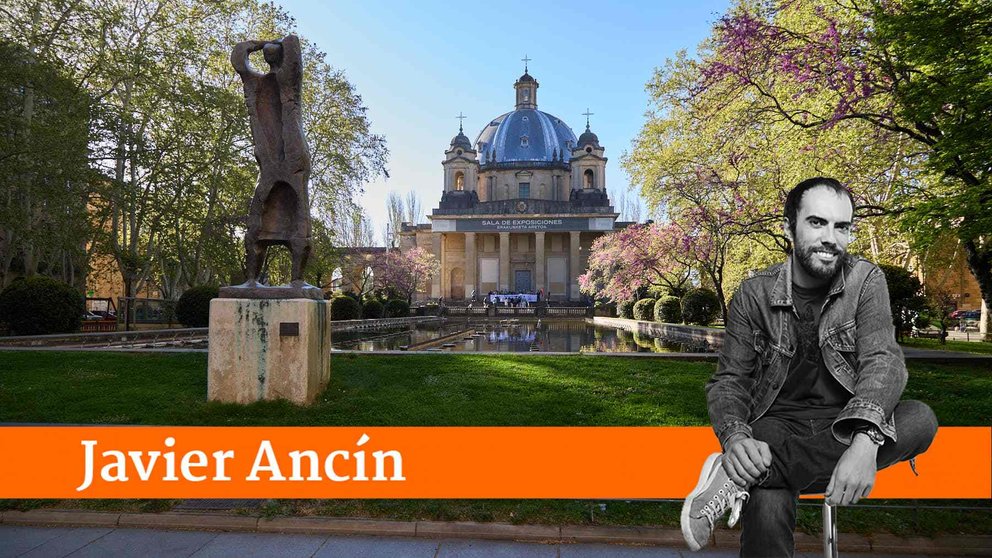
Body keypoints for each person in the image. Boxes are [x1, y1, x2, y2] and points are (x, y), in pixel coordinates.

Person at [681, 177, 937, 557]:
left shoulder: (866, 281)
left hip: (847, 422)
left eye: (842, 226)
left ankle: (734, 479)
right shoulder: (754, 293)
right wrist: (735, 438)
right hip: (777, 422)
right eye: (817, 223)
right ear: (789, 228)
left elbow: (883, 362)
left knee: (920, 419)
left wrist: (866, 442)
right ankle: (752, 469)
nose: (831, 237)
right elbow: (730, 381)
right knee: (762, 463)